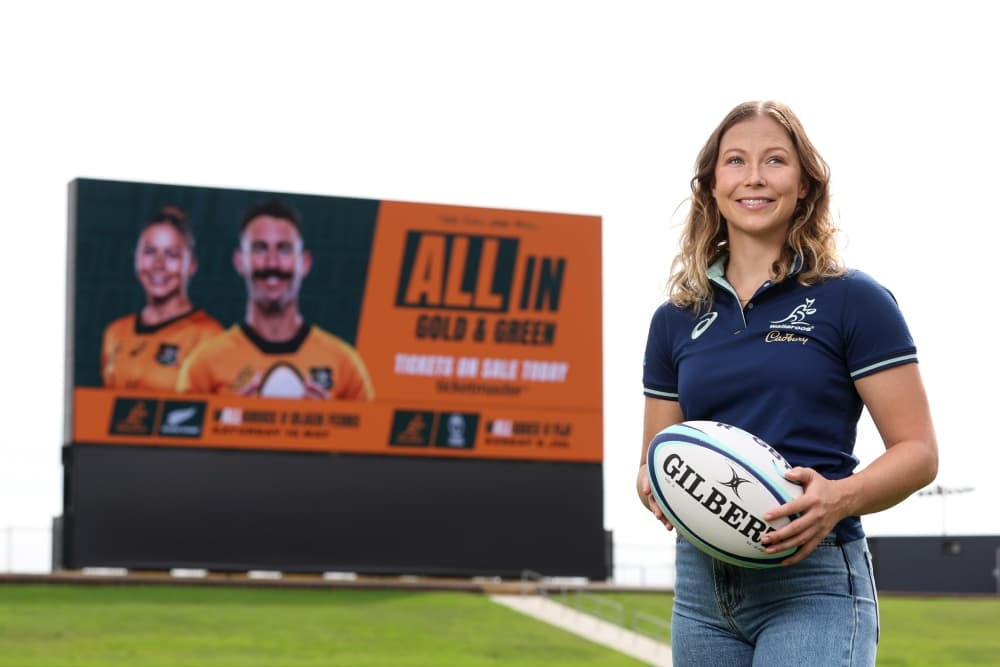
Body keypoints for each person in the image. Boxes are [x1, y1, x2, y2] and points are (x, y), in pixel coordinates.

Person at [636, 101, 937, 666]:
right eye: (736, 161)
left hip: (814, 578)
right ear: (711, 185)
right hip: (703, 588)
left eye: (775, 161)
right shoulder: (674, 318)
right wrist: (663, 485)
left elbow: (919, 453)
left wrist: (839, 499)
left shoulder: (852, 298)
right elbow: (654, 457)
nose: (754, 177)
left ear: (804, 186)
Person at [177, 200, 374, 400]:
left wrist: (328, 424)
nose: (272, 262)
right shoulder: (203, 365)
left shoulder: (345, 364)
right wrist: (229, 421)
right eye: (260, 249)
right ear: (239, 262)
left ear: (304, 263)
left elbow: (373, 431)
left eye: (284, 249)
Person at [101, 206, 223, 391]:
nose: (159, 264)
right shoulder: (115, 333)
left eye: (171, 255)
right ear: (136, 259)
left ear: (192, 266)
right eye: (150, 251)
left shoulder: (209, 337)